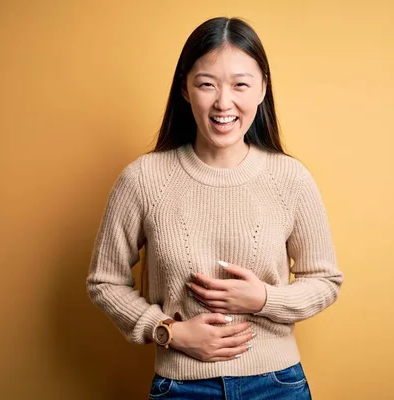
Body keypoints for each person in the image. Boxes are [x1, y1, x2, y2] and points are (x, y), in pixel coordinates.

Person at [86, 16, 344, 400]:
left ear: (262, 90)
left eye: (241, 84)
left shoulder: (291, 178)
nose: (224, 102)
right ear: (186, 90)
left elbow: (325, 281)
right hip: (180, 388)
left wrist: (264, 299)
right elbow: (104, 281)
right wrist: (168, 331)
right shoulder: (143, 179)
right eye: (207, 84)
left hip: (277, 385)